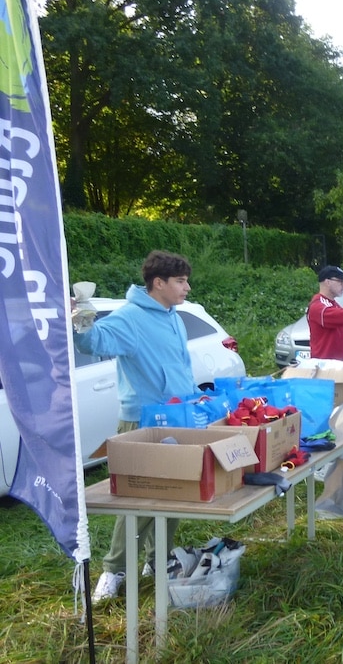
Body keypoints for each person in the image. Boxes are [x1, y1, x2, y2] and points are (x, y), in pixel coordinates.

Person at [73, 251, 197, 602]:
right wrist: (80, 321)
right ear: (158, 283)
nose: (187, 287)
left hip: (176, 415)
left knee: (175, 492)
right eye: (180, 281)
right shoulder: (130, 318)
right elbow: (94, 341)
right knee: (137, 498)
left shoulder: (175, 316)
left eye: (186, 280)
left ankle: (158, 559)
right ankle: (114, 570)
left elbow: (178, 365)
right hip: (142, 420)